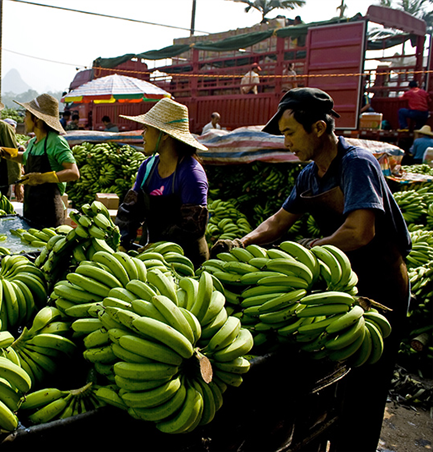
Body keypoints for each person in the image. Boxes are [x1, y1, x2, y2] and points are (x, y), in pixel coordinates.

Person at [209, 87, 410, 452]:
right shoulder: (309, 176)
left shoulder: (357, 163)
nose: (286, 143)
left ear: (318, 128)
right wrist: (243, 242)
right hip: (339, 288)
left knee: (366, 386)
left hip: (381, 287)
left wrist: (309, 249)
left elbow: (361, 231)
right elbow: (278, 221)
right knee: (334, 382)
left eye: (290, 133)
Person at [115, 98, 210, 267]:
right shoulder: (147, 167)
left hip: (186, 259)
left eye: (146, 128)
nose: (142, 134)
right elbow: (130, 210)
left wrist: (160, 247)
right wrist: (122, 241)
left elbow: (191, 227)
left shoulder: (191, 174)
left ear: (164, 134)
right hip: (153, 254)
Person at [0, 93, 80, 227]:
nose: (24, 119)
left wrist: (42, 178)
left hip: (50, 211)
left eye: (27, 115)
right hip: (31, 208)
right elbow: (25, 157)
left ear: (37, 119)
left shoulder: (56, 142)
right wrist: (3, 152)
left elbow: (73, 173)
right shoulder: (33, 142)